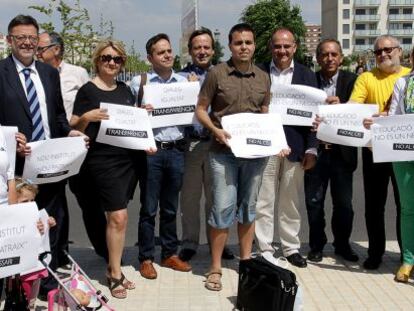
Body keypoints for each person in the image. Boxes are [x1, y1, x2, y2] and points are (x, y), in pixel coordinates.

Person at [0, 14, 84, 296]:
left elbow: (57, 115)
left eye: (31, 38)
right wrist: (10, 139)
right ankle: (16, 285)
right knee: (20, 226)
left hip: (50, 162)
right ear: (10, 40)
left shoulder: (48, 73)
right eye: (20, 37)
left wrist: (69, 133)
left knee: (52, 219)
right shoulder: (0, 72)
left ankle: (47, 282)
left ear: (38, 42)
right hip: (16, 167)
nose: (26, 42)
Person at [196, 23, 271, 291]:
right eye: (238, 43)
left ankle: (247, 261)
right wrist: (214, 129)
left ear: (254, 45)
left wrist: (272, 136)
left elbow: (265, 110)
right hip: (223, 154)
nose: (243, 47)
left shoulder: (263, 76)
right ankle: (215, 267)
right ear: (230, 46)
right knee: (222, 209)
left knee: (248, 209)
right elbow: (201, 109)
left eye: (248, 43)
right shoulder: (217, 73)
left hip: (254, 154)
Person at [70, 39, 142, 299]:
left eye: (117, 59)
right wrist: (86, 118)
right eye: (106, 58)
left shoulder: (125, 89)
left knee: (117, 217)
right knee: (119, 217)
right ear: (97, 60)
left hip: (127, 161)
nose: (112, 62)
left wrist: (142, 115)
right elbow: (74, 128)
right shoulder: (87, 91)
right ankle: (113, 272)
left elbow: (132, 123)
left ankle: (115, 267)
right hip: (101, 162)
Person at [130, 33, 192, 280]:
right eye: (161, 52)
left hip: (176, 150)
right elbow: (128, 117)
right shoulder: (139, 83)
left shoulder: (185, 81)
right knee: (149, 208)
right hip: (151, 152)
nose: (167, 55)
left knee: (170, 207)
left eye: (169, 51)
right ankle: (146, 258)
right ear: (149, 57)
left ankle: (169, 253)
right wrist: (138, 111)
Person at [255, 27, 318, 268]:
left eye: (287, 46)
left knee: (290, 201)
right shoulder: (258, 72)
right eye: (277, 46)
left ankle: (291, 248)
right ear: (271, 47)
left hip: (295, 147)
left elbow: (315, 116)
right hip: (266, 147)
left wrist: (312, 149)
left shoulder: (307, 75)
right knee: (264, 200)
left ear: (295, 47)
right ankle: (264, 248)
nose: (282, 50)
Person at [350, 35, 410, 270]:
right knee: (374, 205)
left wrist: (384, 117)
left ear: (399, 51)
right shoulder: (366, 77)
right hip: (373, 150)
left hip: (403, 152)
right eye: (377, 52)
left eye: (388, 50)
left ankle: (407, 255)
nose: (383, 54)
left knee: (406, 206)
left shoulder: (409, 77)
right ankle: (375, 252)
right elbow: (355, 105)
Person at [178, 28, 234, 262]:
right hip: (191, 144)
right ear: (190, 51)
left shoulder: (224, 74)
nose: (202, 51)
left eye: (206, 47)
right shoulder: (179, 79)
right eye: (197, 48)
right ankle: (190, 242)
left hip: (217, 145)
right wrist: (188, 90)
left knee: (217, 197)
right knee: (190, 197)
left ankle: (217, 243)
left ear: (213, 49)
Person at [36, 31, 90, 267]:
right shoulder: (37, 74)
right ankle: (57, 250)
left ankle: (101, 245)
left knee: (85, 197)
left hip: (75, 142)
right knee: (54, 199)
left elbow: (90, 100)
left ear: (56, 49)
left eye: (41, 48)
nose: (37, 53)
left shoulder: (77, 73)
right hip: (48, 146)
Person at [305, 39, 358, 263]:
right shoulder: (309, 82)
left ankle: (342, 245)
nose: (329, 59)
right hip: (317, 152)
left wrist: (342, 106)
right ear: (317, 58)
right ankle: (317, 245)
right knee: (314, 202)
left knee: (343, 204)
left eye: (334, 54)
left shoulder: (353, 81)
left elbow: (359, 110)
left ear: (341, 58)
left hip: (342, 153)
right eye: (324, 55)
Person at [364, 47, 414, 282]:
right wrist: (378, 123)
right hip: (404, 153)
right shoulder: (403, 84)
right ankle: (408, 259)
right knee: (407, 208)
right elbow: (394, 116)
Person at [15, 177, 56, 310]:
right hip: (21, 265)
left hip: (36, 261)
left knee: (35, 283)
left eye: (32, 200)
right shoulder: (13, 218)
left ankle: (31, 304)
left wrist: (48, 222)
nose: (30, 204)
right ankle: (27, 304)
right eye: (25, 201)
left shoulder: (34, 214)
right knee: (24, 287)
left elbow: (42, 231)